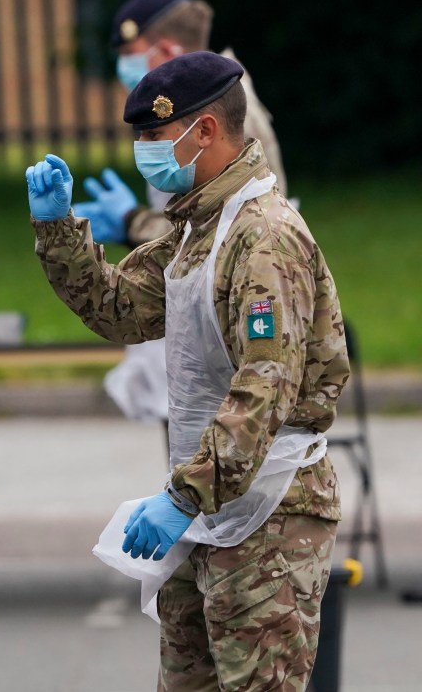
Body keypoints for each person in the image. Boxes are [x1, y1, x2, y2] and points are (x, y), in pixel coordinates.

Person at [25, 52, 349, 691]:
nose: (144, 151)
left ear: (204, 131)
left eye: (153, 136)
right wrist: (56, 228)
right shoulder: (196, 229)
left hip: (272, 514)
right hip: (210, 504)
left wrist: (184, 495)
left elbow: (267, 387)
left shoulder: (264, 237)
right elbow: (119, 310)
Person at [76, 0, 291, 439]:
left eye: (133, 55)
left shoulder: (224, 113)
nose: (127, 71)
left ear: (168, 49)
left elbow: (226, 226)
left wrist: (135, 222)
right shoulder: (187, 110)